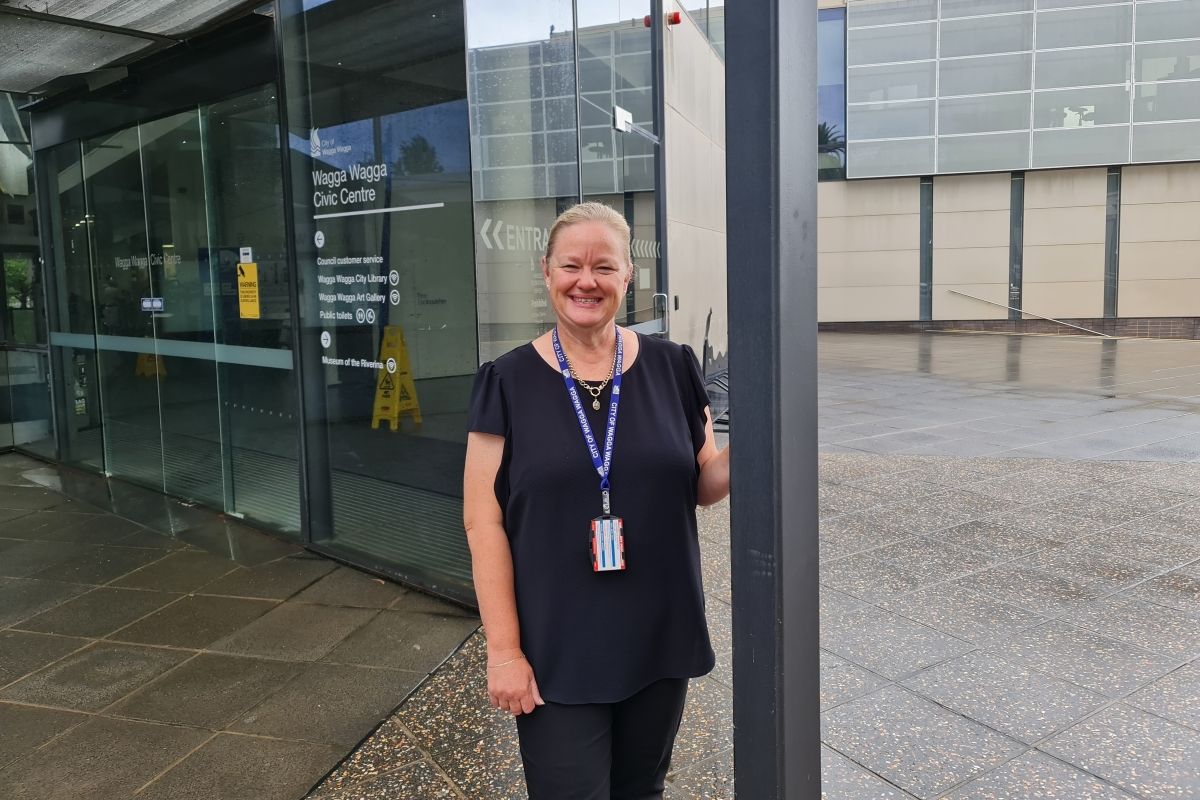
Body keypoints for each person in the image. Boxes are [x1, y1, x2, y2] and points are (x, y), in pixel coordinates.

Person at [463, 201, 731, 799]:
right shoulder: (506, 382)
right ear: (547, 271)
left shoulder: (673, 366)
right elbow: (483, 522)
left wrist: (756, 440)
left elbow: (703, 482)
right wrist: (504, 652)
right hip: (557, 644)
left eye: (604, 267)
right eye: (572, 266)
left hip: (657, 632)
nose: (587, 280)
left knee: (642, 790)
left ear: (628, 275)